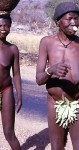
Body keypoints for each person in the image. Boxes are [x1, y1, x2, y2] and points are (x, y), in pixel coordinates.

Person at [36, 2, 79, 150]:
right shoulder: (46, 43)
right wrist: (50, 70)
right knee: (57, 147)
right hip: (55, 103)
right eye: (69, 18)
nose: (74, 23)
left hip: (77, 102)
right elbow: (39, 79)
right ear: (57, 21)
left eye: (77, 19)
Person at [0, 13, 22, 150]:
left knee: (9, 133)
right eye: (0, 25)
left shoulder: (12, 49)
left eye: (6, 26)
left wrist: (19, 95)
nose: (3, 28)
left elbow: (16, 73)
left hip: (6, 89)